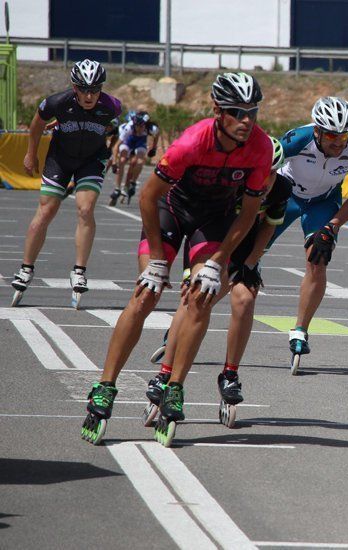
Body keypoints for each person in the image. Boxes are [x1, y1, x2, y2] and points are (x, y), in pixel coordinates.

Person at [80, 72, 272, 446]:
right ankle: (105, 387)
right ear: (218, 111)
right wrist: (156, 259)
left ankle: (175, 387)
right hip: (171, 209)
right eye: (237, 112)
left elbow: (248, 214)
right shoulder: (192, 142)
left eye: (252, 111)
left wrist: (218, 261)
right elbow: (149, 198)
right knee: (145, 295)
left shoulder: (261, 148)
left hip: (214, 218)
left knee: (200, 296)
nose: (246, 120)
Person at [143, 136, 288, 426]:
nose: (267, 180)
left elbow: (267, 229)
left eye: (273, 173)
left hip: (242, 247)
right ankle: (165, 374)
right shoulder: (231, 185)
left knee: (246, 299)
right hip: (211, 240)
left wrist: (250, 264)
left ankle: (230, 374)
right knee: (194, 299)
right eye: (264, 172)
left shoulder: (282, 189)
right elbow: (197, 219)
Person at [11, 60, 121, 308]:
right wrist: (31, 154)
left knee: (85, 208)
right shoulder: (57, 102)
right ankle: (26, 268)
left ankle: (79, 270)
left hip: (91, 160)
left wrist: (110, 148)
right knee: (47, 210)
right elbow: (37, 124)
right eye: (84, 89)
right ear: (74, 87)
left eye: (95, 89)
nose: (90, 95)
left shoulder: (112, 105)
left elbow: (113, 126)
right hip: (59, 158)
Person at [278, 97, 348, 373]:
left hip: (322, 202)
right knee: (244, 257)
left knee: (318, 258)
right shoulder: (297, 139)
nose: (338, 142)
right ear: (317, 130)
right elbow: (263, 169)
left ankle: (299, 331)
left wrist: (334, 224)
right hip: (287, 193)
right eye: (331, 135)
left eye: (344, 135)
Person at [110, 108, 161, 206]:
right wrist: (114, 162)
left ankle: (133, 182)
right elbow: (116, 146)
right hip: (128, 141)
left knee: (140, 162)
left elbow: (157, 135)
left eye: (141, 126)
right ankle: (117, 188)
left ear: (145, 124)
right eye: (136, 125)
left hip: (140, 142)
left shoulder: (152, 128)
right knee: (122, 160)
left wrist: (154, 148)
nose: (138, 128)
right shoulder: (128, 128)